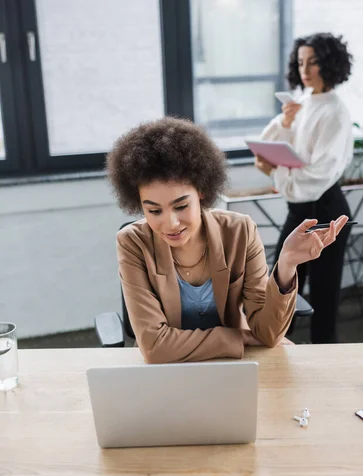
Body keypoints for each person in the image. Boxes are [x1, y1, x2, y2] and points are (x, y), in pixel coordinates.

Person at [107, 117, 348, 364]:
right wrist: (237, 338)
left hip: (233, 366)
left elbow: (267, 335)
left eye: (181, 206)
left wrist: (286, 264)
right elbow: (155, 348)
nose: (171, 223)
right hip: (168, 371)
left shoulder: (240, 232)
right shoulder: (132, 243)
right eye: (154, 211)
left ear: (201, 191)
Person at [255, 32, 354, 344]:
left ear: (330, 64)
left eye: (313, 62)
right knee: (280, 289)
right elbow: (265, 146)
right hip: (299, 210)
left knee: (323, 301)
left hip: (326, 211)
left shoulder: (335, 111)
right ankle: (278, 355)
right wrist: (285, 124)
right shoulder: (302, 104)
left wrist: (277, 171)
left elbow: (317, 176)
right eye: (300, 62)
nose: (305, 69)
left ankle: (324, 375)